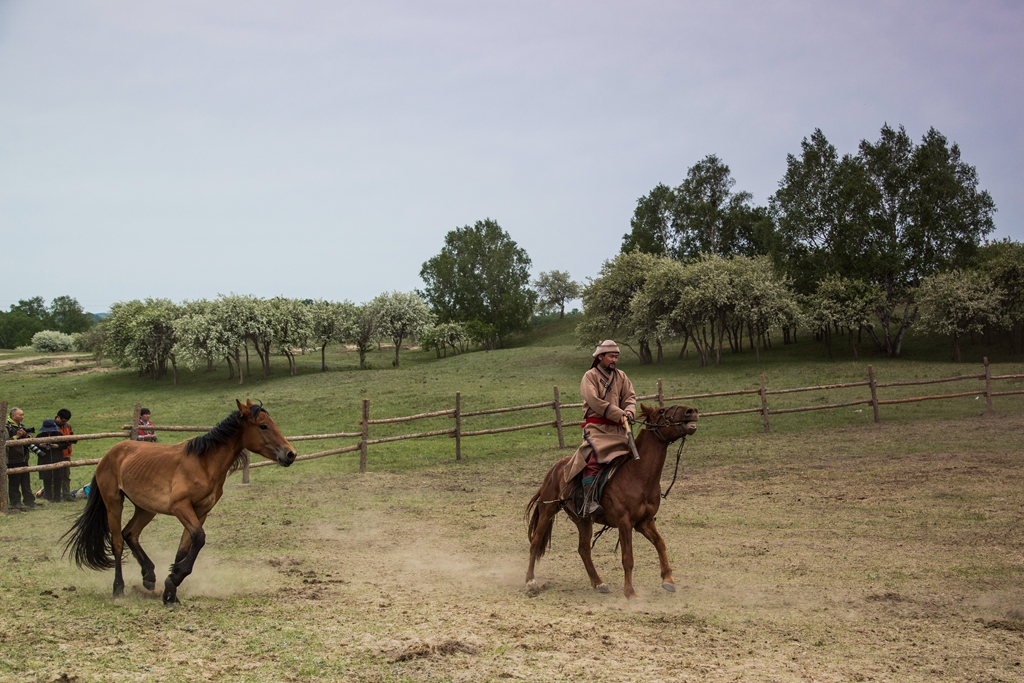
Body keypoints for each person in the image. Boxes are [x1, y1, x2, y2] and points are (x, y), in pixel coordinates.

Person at [563, 340, 637, 518]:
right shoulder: (589, 376)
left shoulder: (621, 376)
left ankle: (635, 503)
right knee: (595, 458)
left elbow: (630, 396)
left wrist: (629, 411)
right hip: (597, 428)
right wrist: (618, 412)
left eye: (616, 357)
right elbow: (594, 401)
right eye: (611, 356)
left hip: (619, 429)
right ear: (600, 357)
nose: (614, 360)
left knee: (633, 461)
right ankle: (589, 501)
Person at [5, 407, 36, 511]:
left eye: (23, 414)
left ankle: (29, 501)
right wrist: (16, 436)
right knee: (14, 482)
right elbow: (4, 442)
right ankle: (15, 502)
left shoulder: (21, 426)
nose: (22, 417)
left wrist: (26, 436)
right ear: (13, 416)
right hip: (12, 459)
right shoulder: (6, 428)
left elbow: (29, 440)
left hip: (23, 458)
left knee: (26, 481)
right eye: (20, 415)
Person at [31, 418, 63, 503]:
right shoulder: (39, 436)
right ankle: (48, 496)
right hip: (44, 459)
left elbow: (65, 444)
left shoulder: (59, 434)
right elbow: (34, 445)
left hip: (57, 458)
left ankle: (57, 497)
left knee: (58, 478)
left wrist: (57, 446)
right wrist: (41, 445)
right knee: (47, 478)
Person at [54, 409, 76, 502]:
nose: (64, 423)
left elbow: (71, 436)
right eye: (63, 421)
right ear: (58, 417)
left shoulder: (68, 426)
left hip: (67, 454)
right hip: (56, 454)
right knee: (56, 476)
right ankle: (55, 495)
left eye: (66, 421)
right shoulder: (52, 426)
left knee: (66, 475)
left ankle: (67, 494)